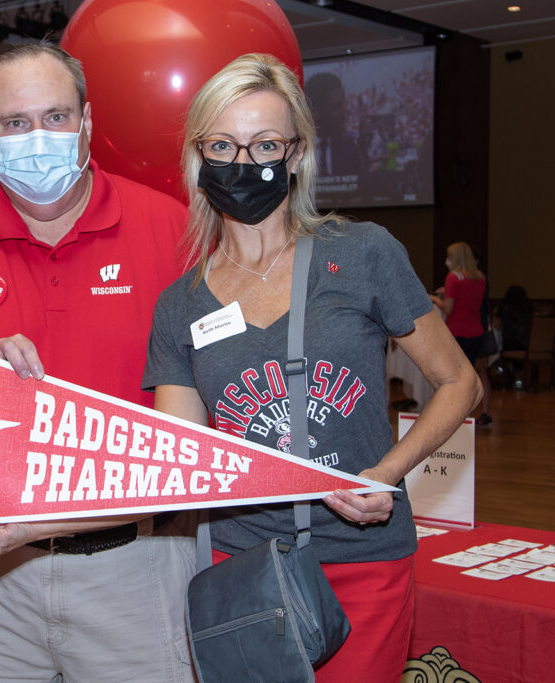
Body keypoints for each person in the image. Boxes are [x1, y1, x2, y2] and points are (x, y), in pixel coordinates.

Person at [143, 54, 480, 682]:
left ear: (296, 154)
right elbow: (179, 457)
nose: (242, 164)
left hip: (363, 560)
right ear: (198, 156)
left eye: (264, 143)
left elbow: (461, 382)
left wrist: (389, 472)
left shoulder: (362, 254)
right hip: (241, 564)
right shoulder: (180, 304)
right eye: (222, 144)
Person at [0, 41, 195, 682]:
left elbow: (206, 413)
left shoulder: (170, 230)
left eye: (56, 117)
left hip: (137, 569)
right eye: (16, 123)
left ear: (87, 121)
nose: (39, 137)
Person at [430, 241, 492, 424]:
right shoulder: (480, 277)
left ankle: (457, 418)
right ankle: (469, 415)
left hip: (457, 333)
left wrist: (433, 298)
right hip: (476, 332)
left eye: (449, 256)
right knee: (473, 375)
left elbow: (448, 308)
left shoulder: (453, 277)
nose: (447, 260)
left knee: (453, 379)